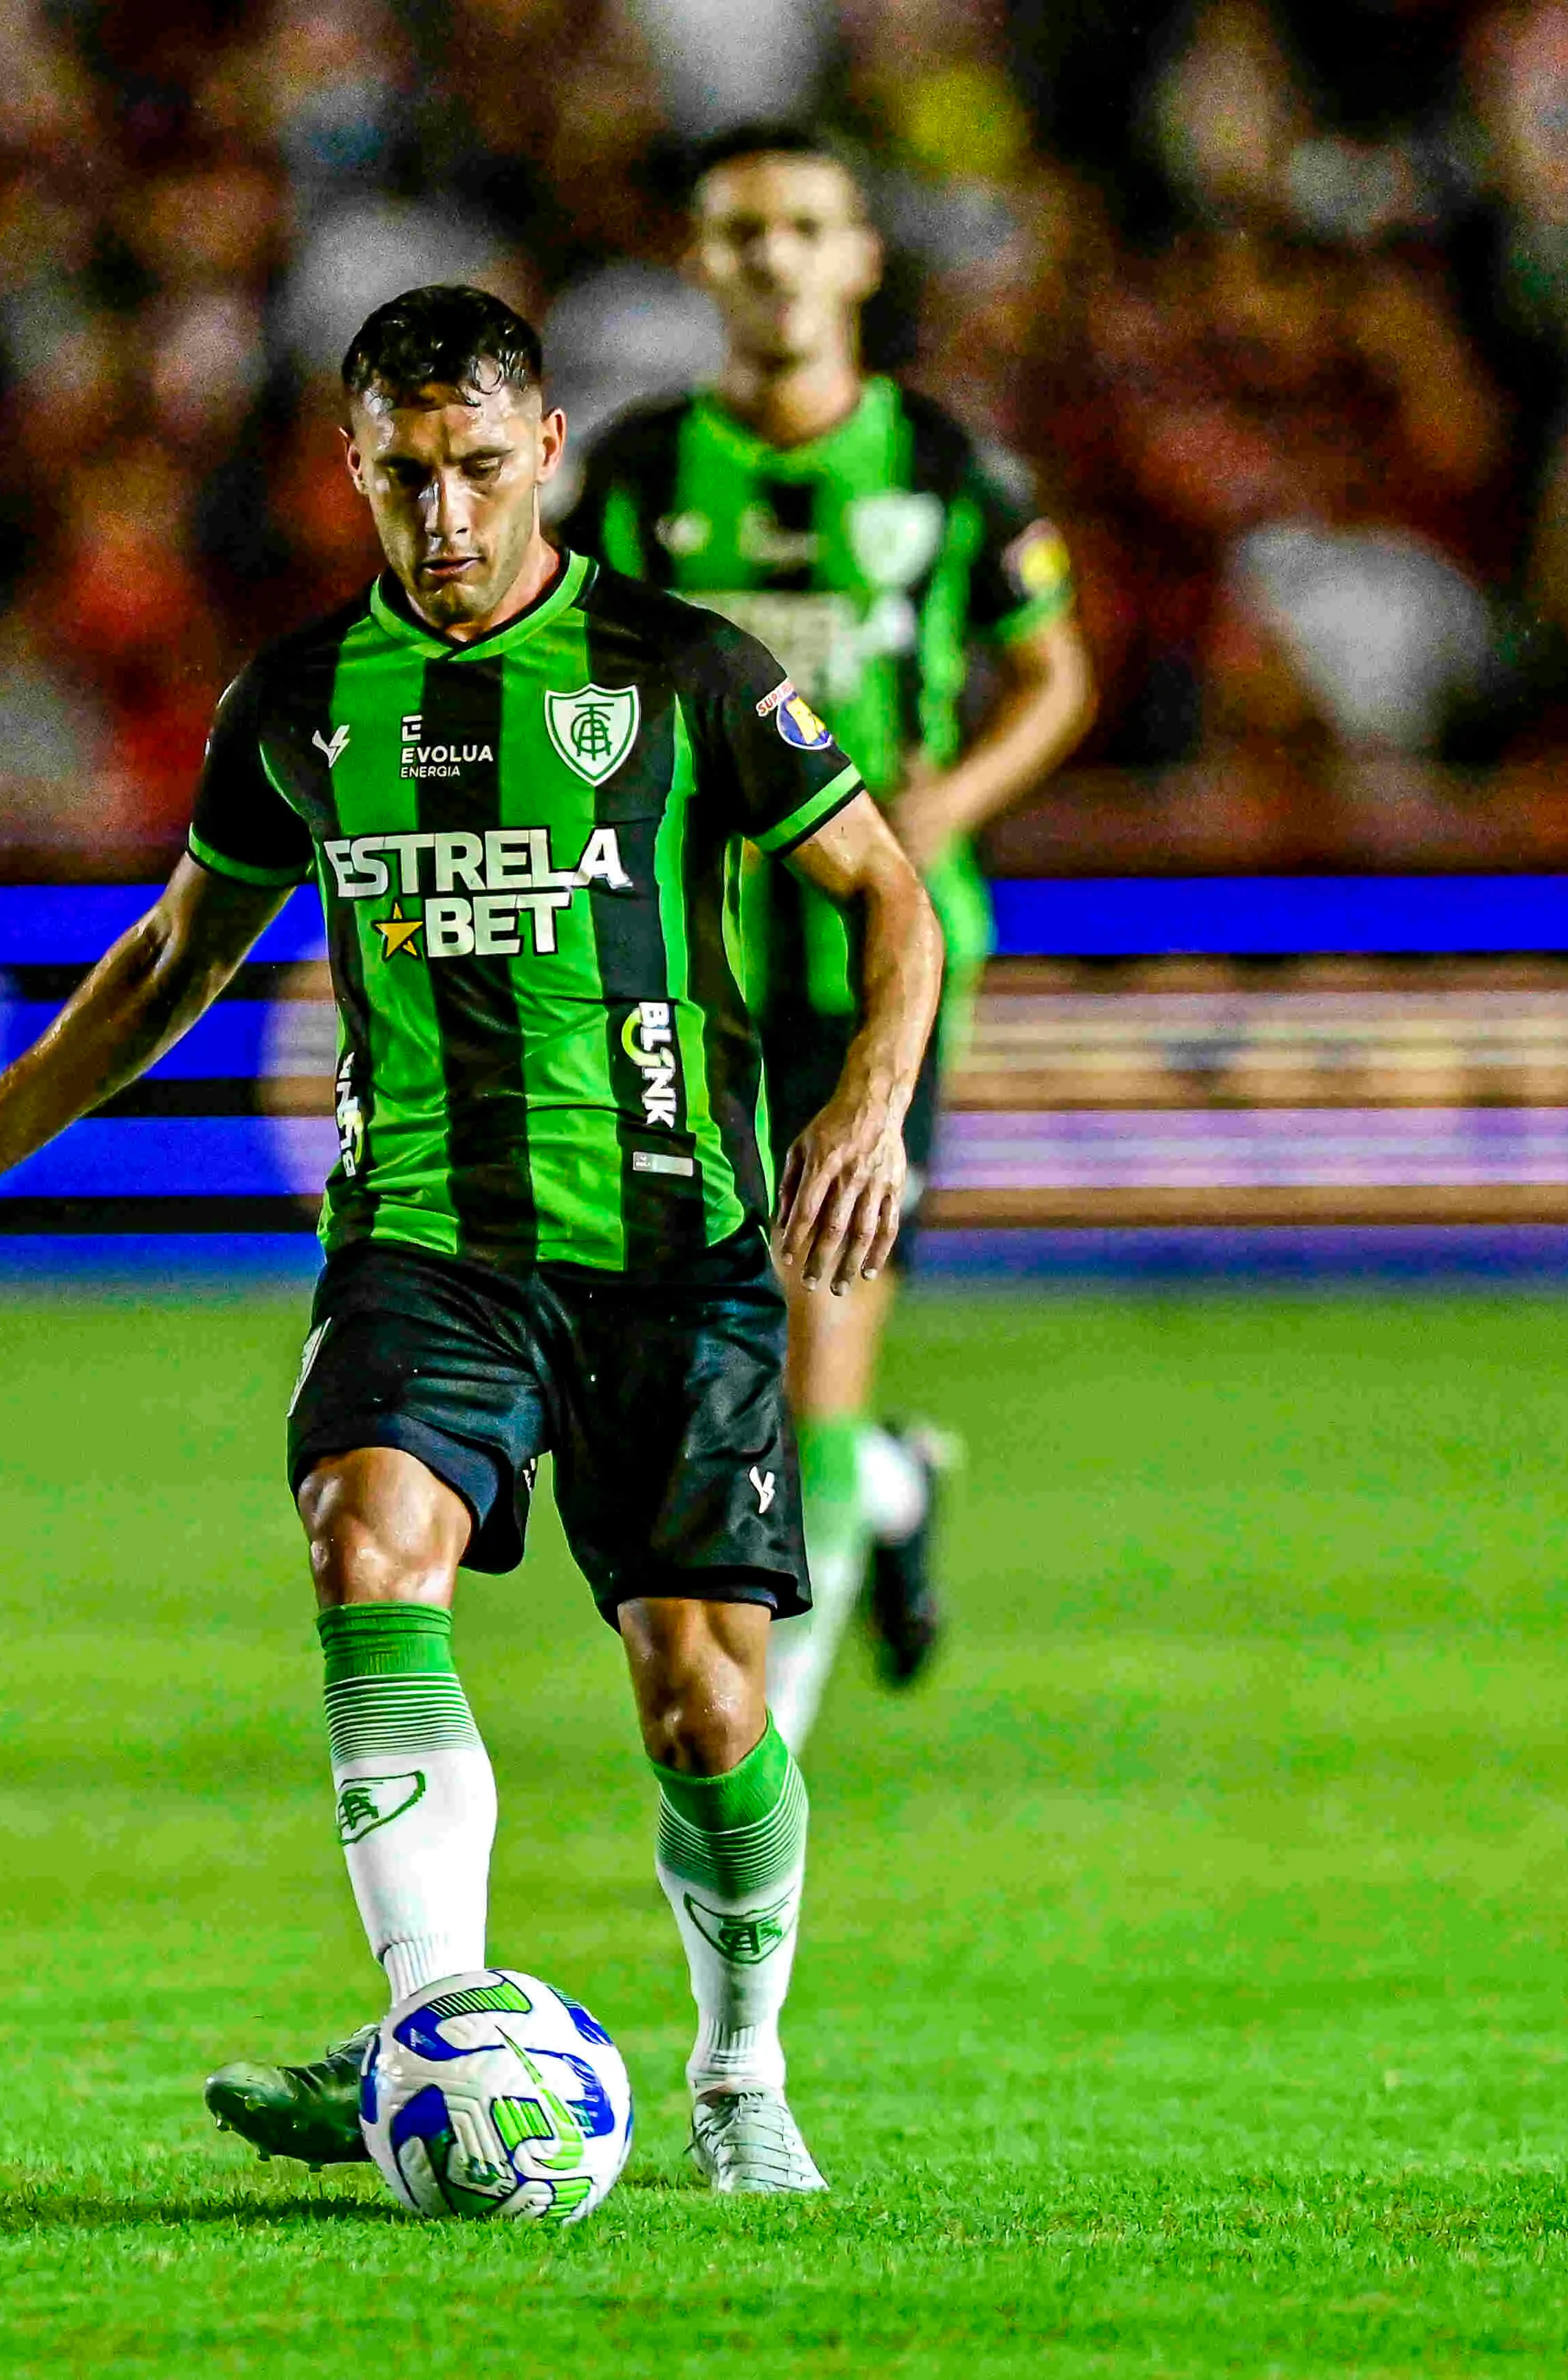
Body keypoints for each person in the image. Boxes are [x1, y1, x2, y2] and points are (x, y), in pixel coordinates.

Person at [0, 286, 941, 2194]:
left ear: (548, 451)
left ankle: (740, 2071)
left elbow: (890, 898)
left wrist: (868, 1101)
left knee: (706, 1699)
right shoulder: (298, 704)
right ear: (351, 463)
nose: (443, 515)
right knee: (363, 1535)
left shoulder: (683, 671)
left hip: (675, 1252)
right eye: (405, 475)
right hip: (426, 1241)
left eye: (480, 469)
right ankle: (438, 2016)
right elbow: (180, 954)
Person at [573, 125, 1096, 1748]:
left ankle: (772, 1688)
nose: (774, 257)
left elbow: (1054, 673)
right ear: (700, 264)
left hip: (881, 963)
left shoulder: (946, 469)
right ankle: (875, 1481)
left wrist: (940, 818)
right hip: (686, 963)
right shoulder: (641, 473)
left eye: (804, 226)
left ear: (861, 257)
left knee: (816, 1315)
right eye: (740, 232)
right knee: (690, 1327)